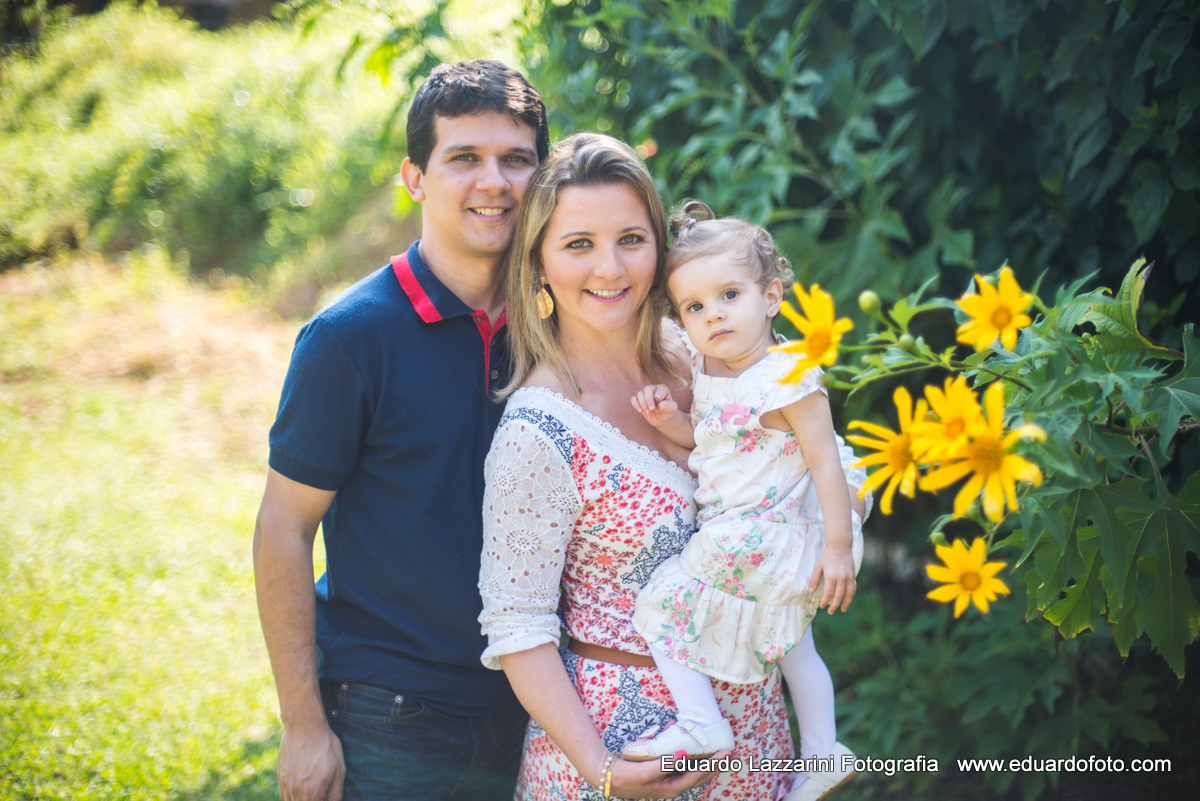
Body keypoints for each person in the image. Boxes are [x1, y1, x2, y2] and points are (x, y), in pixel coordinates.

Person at [477, 133, 870, 801]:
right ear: (538, 265)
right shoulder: (536, 430)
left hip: (758, 735)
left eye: (631, 238)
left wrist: (839, 514)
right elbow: (519, 631)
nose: (611, 268)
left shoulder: (700, 349)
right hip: (625, 755)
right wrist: (603, 768)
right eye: (578, 244)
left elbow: (810, 435)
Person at [253, 60, 549, 801]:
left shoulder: (561, 327)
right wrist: (302, 725)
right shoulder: (350, 338)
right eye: (464, 159)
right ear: (415, 177)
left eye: (516, 160)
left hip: (542, 708)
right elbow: (284, 529)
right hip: (391, 716)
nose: (495, 183)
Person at [623, 201, 866, 801]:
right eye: (696, 307)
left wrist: (838, 549)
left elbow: (826, 465)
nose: (714, 315)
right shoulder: (713, 367)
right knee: (791, 647)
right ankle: (822, 753)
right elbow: (710, 440)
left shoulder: (789, 377)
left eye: (730, 294)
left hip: (777, 531)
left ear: (773, 297)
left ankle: (705, 724)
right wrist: (668, 421)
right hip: (749, 531)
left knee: (663, 604)